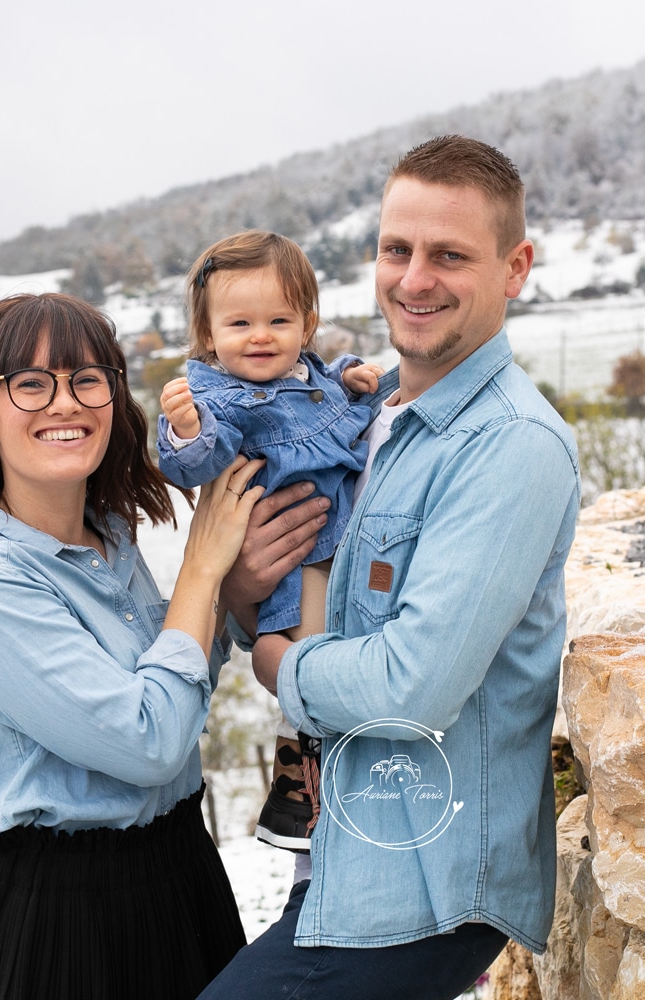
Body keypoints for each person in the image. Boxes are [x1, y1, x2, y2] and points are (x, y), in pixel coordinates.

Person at [202, 135, 581, 1000]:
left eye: (450, 255)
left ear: (515, 266)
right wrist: (242, 590)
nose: (414, 279)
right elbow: (305, 594)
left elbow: (411, 685)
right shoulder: (364, 423)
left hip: (425, 885)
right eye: (397, 250)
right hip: (344, 852)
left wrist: (276, 662)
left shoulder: (510, 447)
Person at [0, 292, 263, 1000]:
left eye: (87, 379)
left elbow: (167, 672)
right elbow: (147, 740)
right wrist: (202, 569)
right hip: (61, 925)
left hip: (182, 882)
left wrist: (230, 595)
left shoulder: (108, 539)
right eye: (30, 383)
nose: (64, 403)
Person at [155, 230, 384, 854]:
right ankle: (298, 797)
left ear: (307, 325)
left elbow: (328, 388)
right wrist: (184, 429)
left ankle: (334, 779)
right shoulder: (217, 398)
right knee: (309, 646)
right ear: (208, 335)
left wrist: (353, 376)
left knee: (339, 644)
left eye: (279, 320)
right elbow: (193, 463)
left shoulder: (310, 373)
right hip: (295, 551)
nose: (260, 336)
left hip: (335, 538)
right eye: (239, 323)